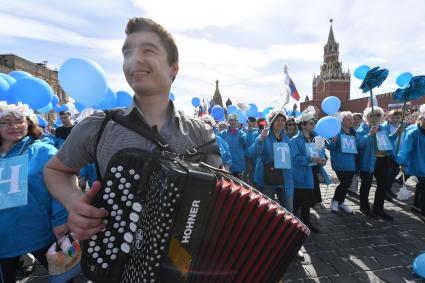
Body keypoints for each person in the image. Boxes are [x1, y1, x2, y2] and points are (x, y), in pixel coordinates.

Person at [44, 17, 222, 242]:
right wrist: (74, 201)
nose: (134, 59)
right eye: (127, 52)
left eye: (148, 51)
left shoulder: (201, 133)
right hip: (116, 260)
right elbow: (55, 170)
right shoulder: (97, 126)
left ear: (173, 68)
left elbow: (219, 195)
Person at [0, 102, 69, 283]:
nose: (14, 126)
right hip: (4, 237)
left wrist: (61, 220)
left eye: (19, 120)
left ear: (29, 123)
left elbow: (63, 184)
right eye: (5, 122)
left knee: (63, 277)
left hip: (41, 232)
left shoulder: (43, 151)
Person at [290, 110, 330, 233]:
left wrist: (323, 160)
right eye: (310, 122)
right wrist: (310, 159)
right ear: (302, 125)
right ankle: (290, 224)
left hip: (313, 172)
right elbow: (294, 159)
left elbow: (321, 154)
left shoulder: (316, 139)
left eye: (314, 122)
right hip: (301, 175)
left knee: (308, 200)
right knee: (298, 201)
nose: (313, 124)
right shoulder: (295, 140)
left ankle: (306, 221)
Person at [356, 106, 398, 220]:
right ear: (367, 117)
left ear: (381, 117)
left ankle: (378, 209)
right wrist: (369, 134)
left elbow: (387, 142)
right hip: (368, 161)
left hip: (383, 160)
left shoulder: (382, 128)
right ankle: (364, 208)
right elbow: (359, 144)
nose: (375, 117)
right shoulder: (363, 128)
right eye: (372, 115)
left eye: (378, 115)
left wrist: (396, 134)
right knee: (366, 185)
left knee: (383, 185)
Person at [249, 110, 294, 212]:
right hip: (267, 177)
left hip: (284, 178)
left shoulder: (285, 138)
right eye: (277, 120)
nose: (280, 123)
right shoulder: (265, 136)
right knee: (267, 209)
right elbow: (252, 153)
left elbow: (290, 158)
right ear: (272, 123)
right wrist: (260, 139)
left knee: (287, 209)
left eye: (283, 120)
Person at [327, 111, 356, 214]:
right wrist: (333, 141)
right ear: (341, 121)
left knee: (347, 184)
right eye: (348, 119)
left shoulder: (353, 132)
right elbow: (330, 147)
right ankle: (335, 201)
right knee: (343, 182)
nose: (351, 121)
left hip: (351, 162)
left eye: (351, 119)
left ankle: (341, 202)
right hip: (340, 162)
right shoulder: (336, 132)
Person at [398, 112, 425, 216]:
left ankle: (416, 204)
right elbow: (406, 149)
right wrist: (402, 162)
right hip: (418, 163)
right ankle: (423, 211)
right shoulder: (413, 133)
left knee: (421, 185)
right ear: (421, 119)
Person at [218, 114, 246, 178]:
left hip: (238, 166)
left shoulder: (242, 133)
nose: (233, 122)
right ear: (228, 121)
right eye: (231, 120)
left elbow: (247, 141)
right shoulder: (223, 133)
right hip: (226, 165)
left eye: (234, 120)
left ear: (237, 122)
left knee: (238, 185)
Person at [242, 117, 259, 184]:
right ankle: (245, 185)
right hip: (247, 155)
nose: (251, 123)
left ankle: (252, 185)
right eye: (249, 122)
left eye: (253, 122)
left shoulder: (258, 131)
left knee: (253, 171)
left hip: (255, 155)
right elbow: (246, 142)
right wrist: (249, 130)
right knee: (246, 171)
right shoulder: (244, 131)